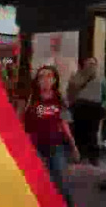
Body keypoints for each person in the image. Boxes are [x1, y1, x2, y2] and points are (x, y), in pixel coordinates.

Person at [21, 65, 79, 207]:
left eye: (49, 76)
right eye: (41, 76)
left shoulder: (59, 99)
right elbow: (23, 125)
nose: (45, 79)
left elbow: (64, 123)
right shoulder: (31, 99)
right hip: (35, 147)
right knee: (40, 183)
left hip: (56, 146)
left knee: (61, 182)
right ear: (37, 81)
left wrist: (74, 146)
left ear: (54, 80)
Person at [67, 57, 103, 166]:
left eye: (93, 64)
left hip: (95, 108)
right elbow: (71, 92)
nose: (91, 66)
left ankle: (93, 157)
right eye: (89, 64)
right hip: (79, 107)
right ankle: (80, 155)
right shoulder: (77, 77)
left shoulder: (100, 80)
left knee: (92, 134)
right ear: (84, 65)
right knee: (79, 132)